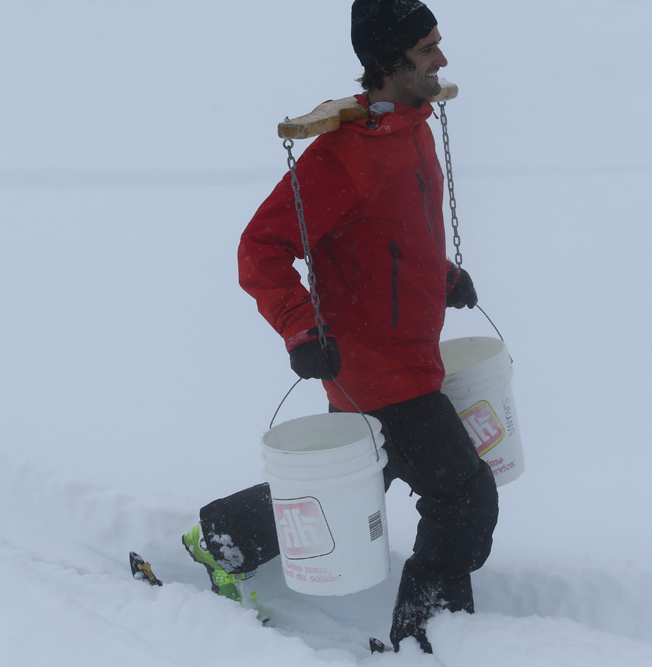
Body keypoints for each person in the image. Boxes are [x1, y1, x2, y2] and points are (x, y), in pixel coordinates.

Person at [181, 0, 499, 653]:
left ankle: (220, 539)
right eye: (427, 48)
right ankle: (427, 636)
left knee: (363, 476)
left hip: (411, 354)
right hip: (374, 368)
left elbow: (392, 237)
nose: (442, 58)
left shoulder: (413, 129)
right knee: (464, 495)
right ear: (389, 60)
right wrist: (301, 329)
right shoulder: (339, 157)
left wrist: (442, 277)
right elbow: (260, 248)